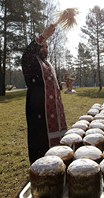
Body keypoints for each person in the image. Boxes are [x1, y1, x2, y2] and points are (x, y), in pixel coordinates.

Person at [21, 24, 67, 164]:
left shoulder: (48, 65)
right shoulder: (31, 62)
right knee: (41, 142)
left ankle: (58, 162)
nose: (45, 49)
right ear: (37, 47)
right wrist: (43, 36)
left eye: (47, 47)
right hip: (39, 110)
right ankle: (41, 166)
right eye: (43, 46)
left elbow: (52, 85)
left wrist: (62, 85)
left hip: (54, 112)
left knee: (57, 143)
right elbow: (27, 54)